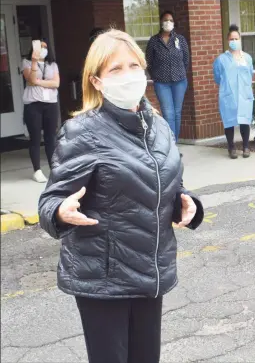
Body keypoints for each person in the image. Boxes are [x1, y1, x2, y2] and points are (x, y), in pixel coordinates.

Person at [38, 29, 204, 363]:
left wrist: (189, 205)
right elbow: (50, 200)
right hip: (103, 279)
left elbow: (169, 184)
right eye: (115, 69)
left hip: (149, 271)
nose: (128, 75)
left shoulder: (158, 126)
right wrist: (59, 211)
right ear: (97, 81)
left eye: (133, 66)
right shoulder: (82, 132)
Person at [146, 11, 189, 142]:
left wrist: (181, 72)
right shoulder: (154, 41)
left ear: (173, 23)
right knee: (168, 113)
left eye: (170, 20)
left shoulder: (180, 39)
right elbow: (149, 61)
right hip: (162, 83)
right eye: (165, 20)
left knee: (176, 113)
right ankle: (171, 145)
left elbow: (186, 59)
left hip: (179, 82)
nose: (168, 22)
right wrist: (156, 76)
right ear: (161, 22)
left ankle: (174, 144)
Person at [213, 24, 254, 159]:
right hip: (228, 95)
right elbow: (217, 77)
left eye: (236, 39)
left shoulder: (247, 58)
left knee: (245, 120)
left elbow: (250, 73)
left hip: (244, 94)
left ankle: (246, 146)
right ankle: (231, 147)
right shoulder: (221, 60)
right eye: (232, 39)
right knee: (229, 120)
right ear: (227, 40)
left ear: (240, 40)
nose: (234, 41)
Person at [21, 39, 60, 183]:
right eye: (40, 47)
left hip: (50, 103)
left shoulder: (52, 65)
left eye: (45, 47)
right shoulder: (26, 62)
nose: (43, 49)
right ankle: (37, 170)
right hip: (33, 104)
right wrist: (33, 62)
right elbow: (30, 80)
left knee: (51, 137)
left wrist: (38, 82)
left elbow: (56, 83)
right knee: (35, 138)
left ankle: (54, 168)